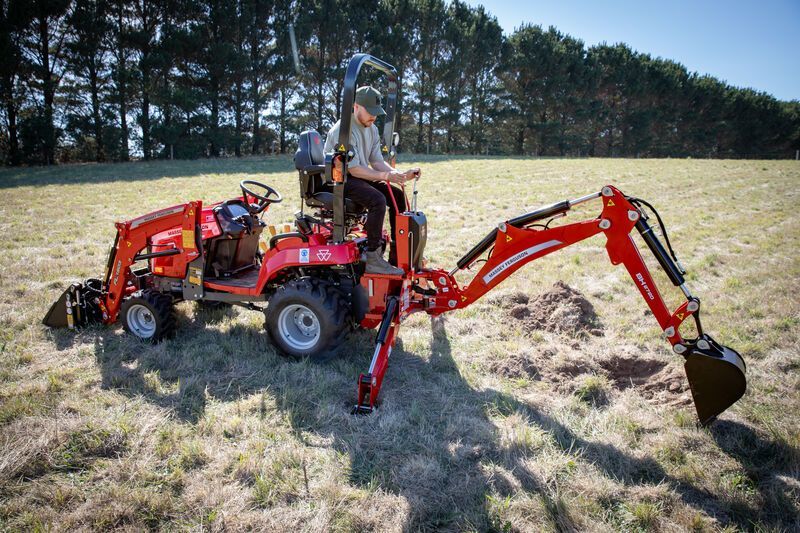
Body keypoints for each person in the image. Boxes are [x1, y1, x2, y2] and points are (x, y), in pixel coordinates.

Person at [324, 85, 421, 276]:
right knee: (377, 199)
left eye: (377, 113)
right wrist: (386, 176)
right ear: (356, 107)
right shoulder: (343, 130)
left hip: (358, 174)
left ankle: (398, 254)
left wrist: (399, 174)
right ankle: (373, 257)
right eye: (370, 112)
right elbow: (353, 168)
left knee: (398, 195)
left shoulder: (372, 128)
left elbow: (376, 160)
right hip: (339, 179)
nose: (374, 117)